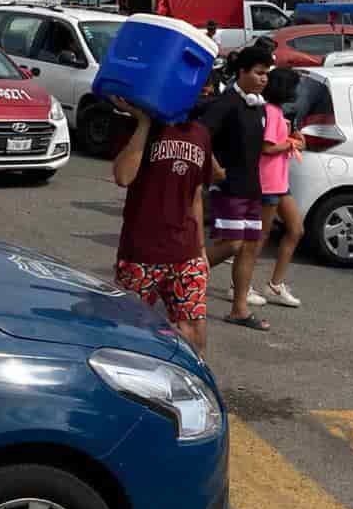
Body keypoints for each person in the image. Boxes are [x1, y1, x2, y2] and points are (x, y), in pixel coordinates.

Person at [110, 100, 212, 354]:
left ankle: (182, 387)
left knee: (194, 333)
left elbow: (195, 195)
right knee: (128, 332)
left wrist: (201, 249)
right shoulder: (138, 128)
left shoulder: (200, 133)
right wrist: (144, 123)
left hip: (186, 252)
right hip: (141, 252)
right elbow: (123, 177)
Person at [200, 42, 277, 330]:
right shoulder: (226, 103)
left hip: (252, 188)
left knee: (249, 247)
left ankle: (239, 310)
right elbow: (201, 137)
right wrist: (216, 170)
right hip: (229, 187)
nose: (263, 79)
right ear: (242, 72)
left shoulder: (258, 106)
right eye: (258, 73)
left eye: (266, 74)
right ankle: (180, 279)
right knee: (230, 244)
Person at [257, 67, 305, 308]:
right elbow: (267, 148)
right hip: (268, 182)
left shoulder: (276, 112)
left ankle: (275, 284)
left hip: (280, 182)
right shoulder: (270, 112)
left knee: (296, 229)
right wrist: (289, 143)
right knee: (260, 236)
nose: (297, 92)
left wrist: (293, 142)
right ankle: (240, 286)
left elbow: (281, 145)